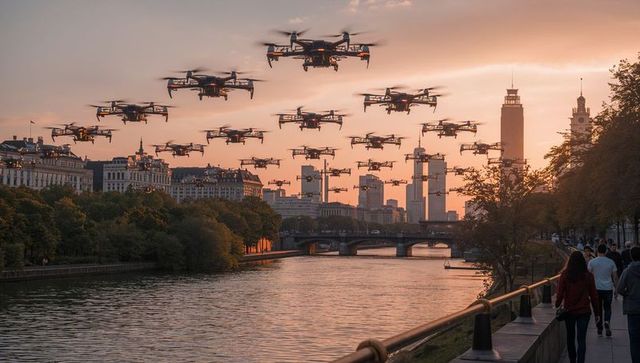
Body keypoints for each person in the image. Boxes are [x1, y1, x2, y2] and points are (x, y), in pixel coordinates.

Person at [556, 251, 600, 363]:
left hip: (569, 311)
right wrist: (597, 313)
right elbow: (594, 296)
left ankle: (572, 360)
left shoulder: (565, 275)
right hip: (584, 311)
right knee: (581, 340)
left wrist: (557, 304)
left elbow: (560, 293)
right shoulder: (588, 276)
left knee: (570, 338)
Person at [588, 243, 619, 337]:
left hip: (596, 289)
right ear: (606, 251)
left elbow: (588, 276)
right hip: (608, 288)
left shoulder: (592, 262)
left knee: (598, 309)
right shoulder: (611, 262)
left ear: (597, 251)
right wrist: (616, 289)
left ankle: (599, 328)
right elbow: (615, 277)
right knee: (607, 307)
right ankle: (607, 321)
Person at [616, 246, 640, 363]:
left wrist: (628, 294)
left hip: (633, 308)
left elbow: (619, 288)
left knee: (634, 339)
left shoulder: (628, 270)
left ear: (631, 257)